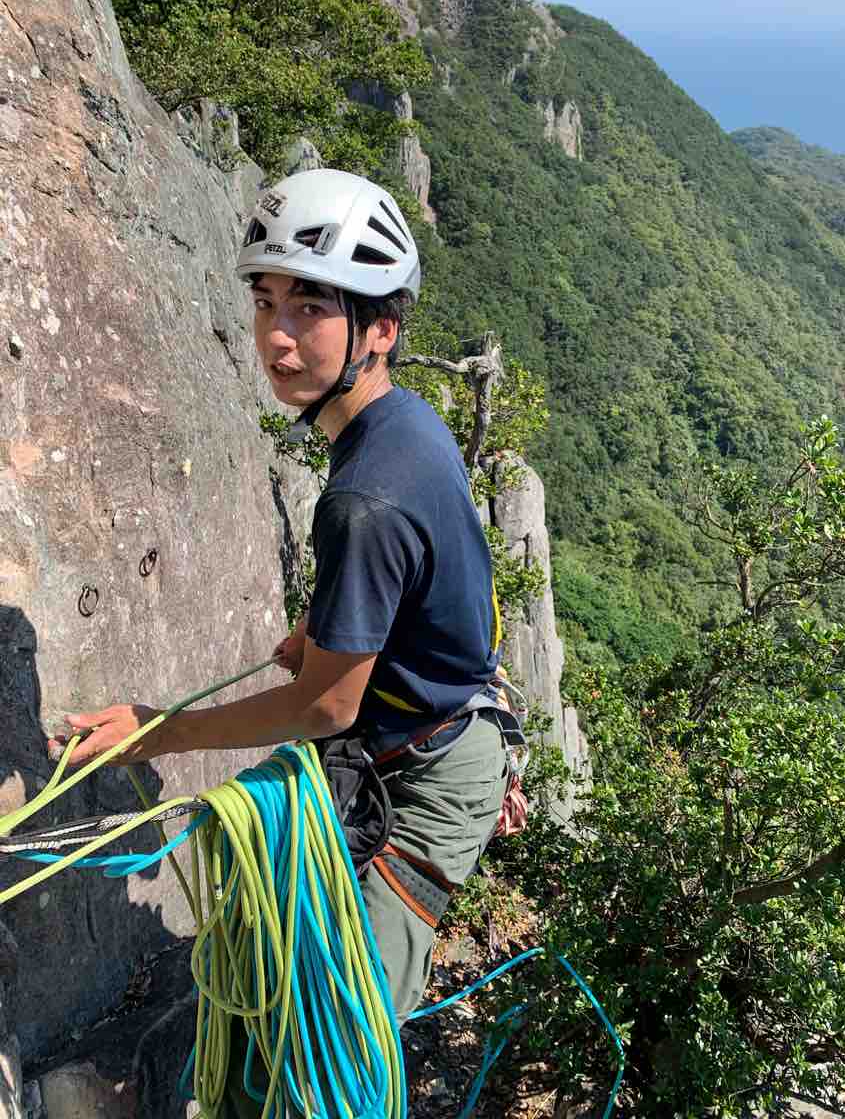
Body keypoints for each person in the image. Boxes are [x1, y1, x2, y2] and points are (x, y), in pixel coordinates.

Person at [57, 169, 511, 1093]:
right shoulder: (403, 429)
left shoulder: (363, 498)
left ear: (379, 329)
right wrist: (334, 621)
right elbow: (437, 573)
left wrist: (156, 729)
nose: (276, 336)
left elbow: (324, 708)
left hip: (419, 776)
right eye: (267, 301)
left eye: (310, 308)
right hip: (437, 730)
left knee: (330, 1057)